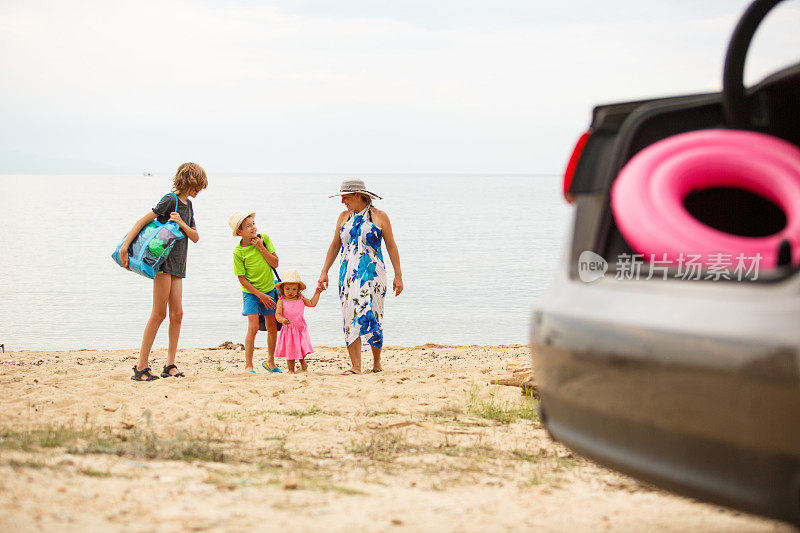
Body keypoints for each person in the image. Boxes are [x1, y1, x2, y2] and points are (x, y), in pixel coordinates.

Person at [119, 162, 208, 381]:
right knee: (159, 314)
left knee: (177, 314)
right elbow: (143, 221)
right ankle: (141, 366)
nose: (200, 190)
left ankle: (169, 365)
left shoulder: (188, 206)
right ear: (191, 181)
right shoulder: (170, 199)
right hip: (162, 264)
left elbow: (195, 237)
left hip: (178, 265)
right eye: (199, 185)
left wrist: (182, 224)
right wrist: (124, 247)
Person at [318, 178, 403, 374]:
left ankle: (376, 363)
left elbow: (391, 246)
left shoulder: (380, 216)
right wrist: (324, 271)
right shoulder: (343, 217)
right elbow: (334, 246)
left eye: (345, 197)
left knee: (373, 314)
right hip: (347, 273)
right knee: (350, 316)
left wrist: (398, 275)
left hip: (373, 275)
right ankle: (356, 366)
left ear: (358, 196)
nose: (343, 202)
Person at [229, 210, 281, 373]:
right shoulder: (238, 252)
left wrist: (260, 247)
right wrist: (260, 296)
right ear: (240, 232)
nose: (253, 228)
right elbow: (242, 279)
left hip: (269, 289)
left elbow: (275, 263)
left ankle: (270, 361)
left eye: (253, 224)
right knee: (253, 327)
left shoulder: (264, 239)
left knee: (272, 325)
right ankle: (248, 365)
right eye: (248, 226)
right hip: (251, 293)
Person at [274, 270, 323, 374]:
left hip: (300, 328)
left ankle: (303, 362)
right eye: (287, 289)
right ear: (282, 289)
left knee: (302, 348)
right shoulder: (281, 301)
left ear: (298, 290)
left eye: (293, 289)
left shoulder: (301, 298)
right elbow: (277, 315)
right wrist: (282, 320)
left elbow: (311, 303)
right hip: (289, 330)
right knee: (290, 351)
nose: (290, 291)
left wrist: (317, 293)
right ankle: (291, 370)